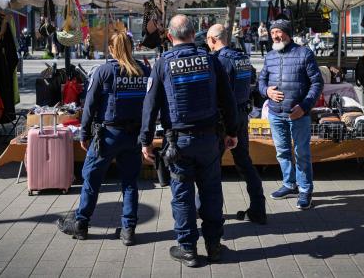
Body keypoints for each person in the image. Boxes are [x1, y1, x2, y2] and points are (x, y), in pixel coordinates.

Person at [140, 15, 238, 267]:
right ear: (194, 34)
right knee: (212, 193)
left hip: (179, 143)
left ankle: (188, 250)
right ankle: (214, 246)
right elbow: (228, 99)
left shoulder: (163, 64)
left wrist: (146, 140)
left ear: (170, 37)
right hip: (209, 140)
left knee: (182, 196)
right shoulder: (211, 60)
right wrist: (232, 131)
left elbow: (149, 107)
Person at [57, 32, 151, 246]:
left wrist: (84, 133)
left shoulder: (105, 71)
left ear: (111, 49)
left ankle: (81, 224)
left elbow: (89, 106)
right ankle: (128, 229)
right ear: (131, 48)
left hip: (107, 136)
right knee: (130, 183)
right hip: (133, 135)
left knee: (91, 179)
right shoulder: (144, 70)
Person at [258, 19, 323, 210]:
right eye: (273, 33)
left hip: (298, 114)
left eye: (279, 32)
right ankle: (289, 184)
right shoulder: (269, 56)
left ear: (288, 33)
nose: (276, 36)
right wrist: (266, 92)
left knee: (302, 153)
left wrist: (304, 106)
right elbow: (261, 81)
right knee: (282, 151)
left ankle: (305, 189)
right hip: (275, 113)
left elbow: (317, 83)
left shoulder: (304, 53)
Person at [206, 24, 266, 224]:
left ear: (213, 39)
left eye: (208, 41)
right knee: (244, 162)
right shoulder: (242, 57)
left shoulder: (219, 60)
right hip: (242, 115)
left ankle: (207, 210)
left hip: (225, 120)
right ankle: (258, 208)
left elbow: (217, 92)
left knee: (211, 166)